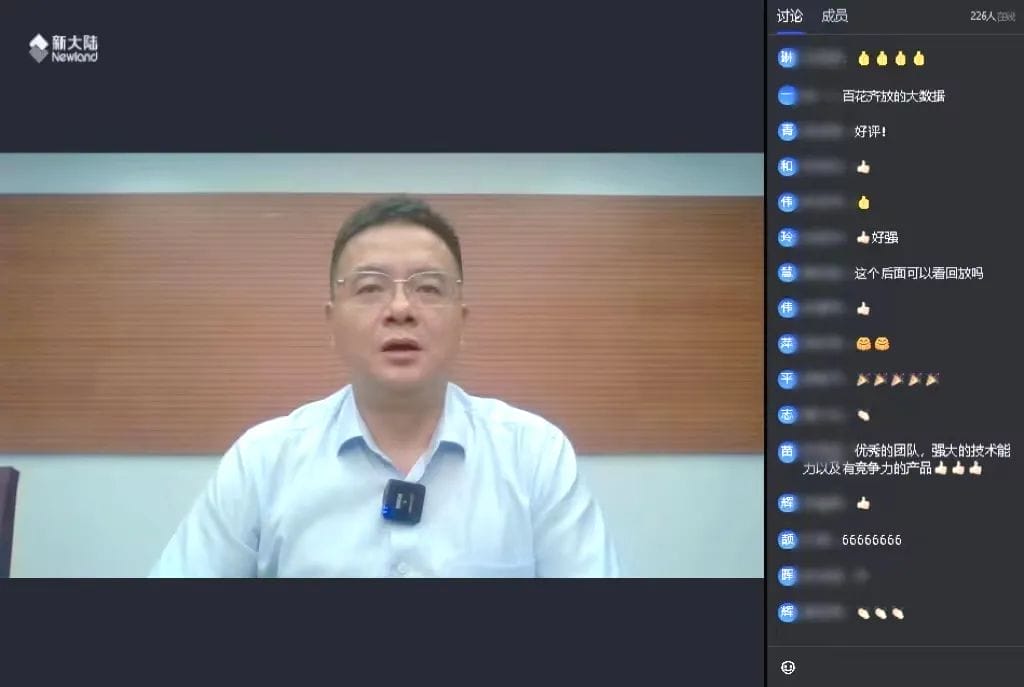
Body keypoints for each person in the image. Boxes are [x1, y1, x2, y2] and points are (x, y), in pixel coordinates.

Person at [150, 195, 619, 577]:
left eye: (428, 288)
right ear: (333, 323)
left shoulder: (534, 455)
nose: (400, 309)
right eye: (370, 287)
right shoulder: (263, 461)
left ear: (461, 321)